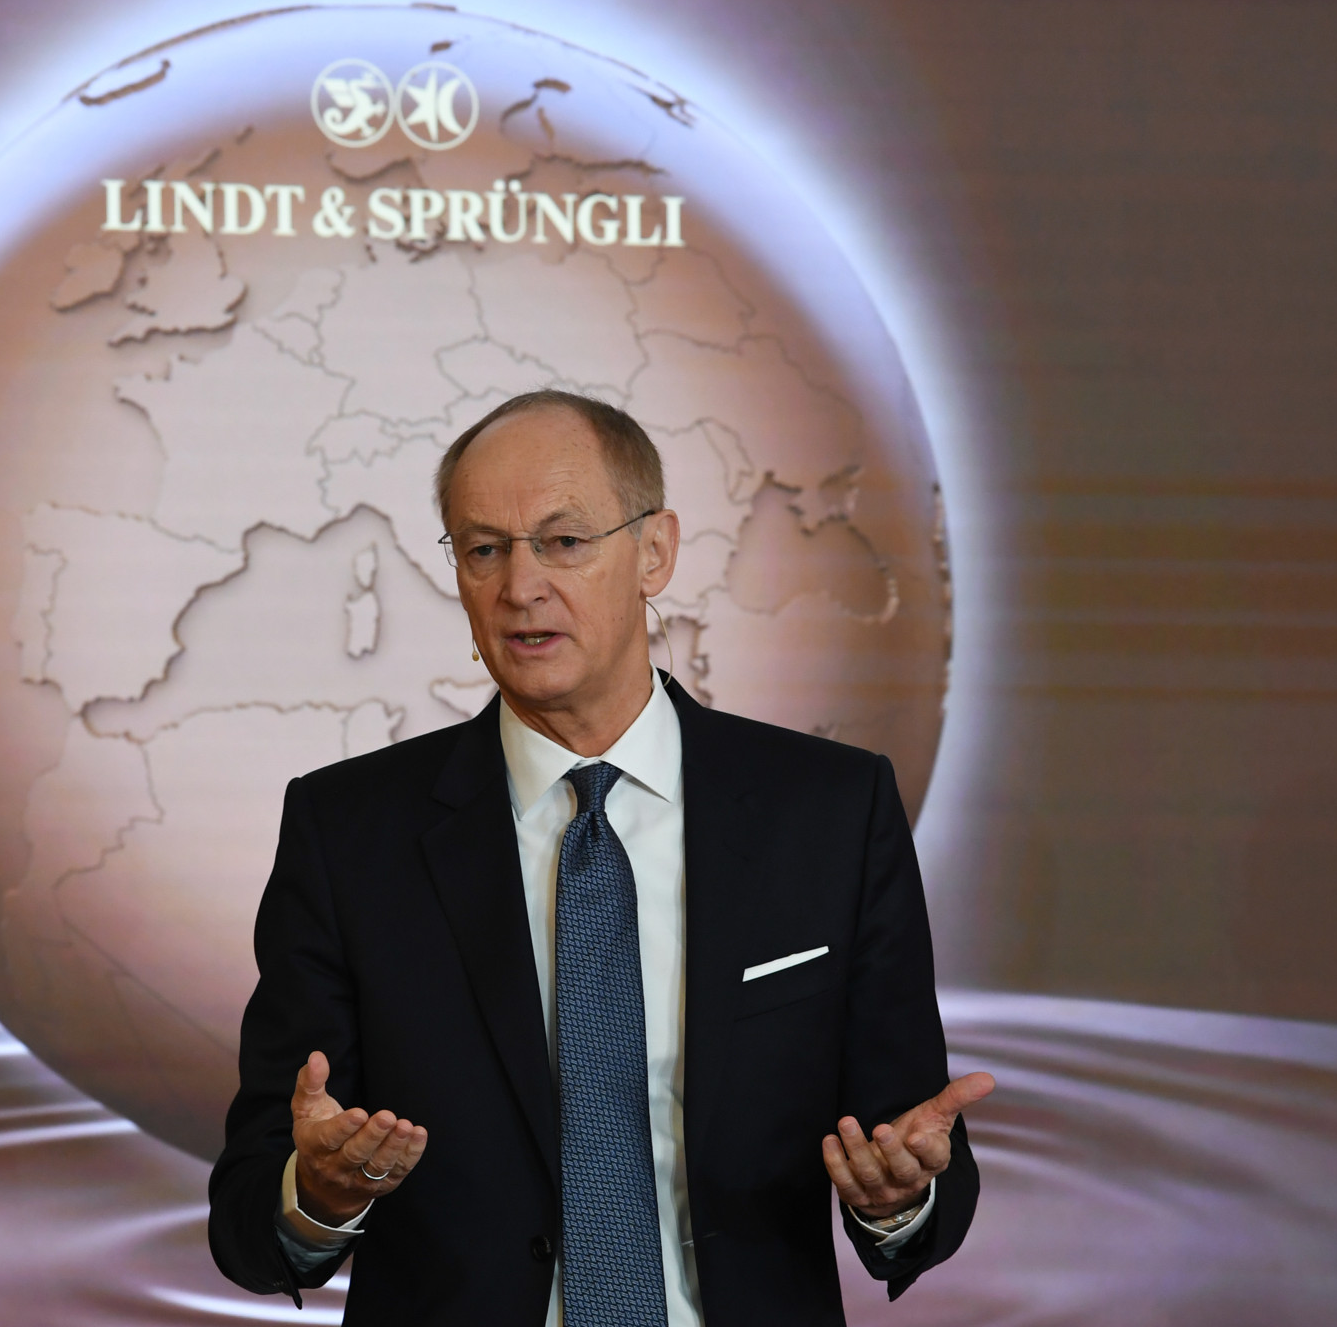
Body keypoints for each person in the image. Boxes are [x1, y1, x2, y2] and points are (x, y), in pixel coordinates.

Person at [208, 391, 991, 1326]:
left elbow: (917, 1152)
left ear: (655, 551)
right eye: (484, 549)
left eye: (564, 542)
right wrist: (320, 1196)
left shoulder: (830, 813)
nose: (520, 587)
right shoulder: (348, 833)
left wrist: (899, 1198)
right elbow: (250, 1219)